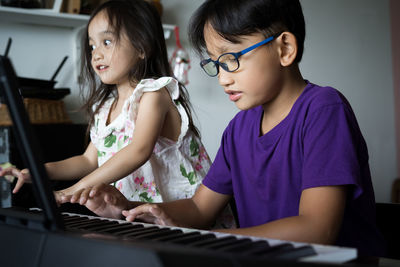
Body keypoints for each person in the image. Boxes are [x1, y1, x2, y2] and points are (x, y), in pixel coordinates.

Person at [68, 0, 385, 257]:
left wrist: (213, 238)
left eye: (231, 59)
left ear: (285, 48)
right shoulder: (240, 127)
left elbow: (317, 229)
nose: (222, 78)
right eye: (216, 64)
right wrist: (130, 209)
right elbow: (198, 208)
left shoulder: (323, 110)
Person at [0, 0, 220, 221]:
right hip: (140, 217)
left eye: (107, 41)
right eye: (92, 45)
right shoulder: (105, 108)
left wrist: (71, 190)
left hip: (184, 216)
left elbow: (138, 151)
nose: (96, 54)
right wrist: (37, 173)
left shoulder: (154, 94)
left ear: (142, 47)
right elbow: (87, 161)